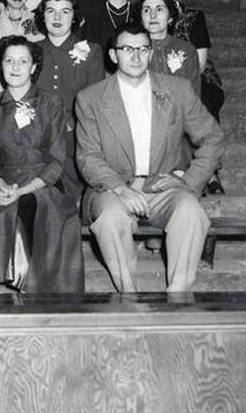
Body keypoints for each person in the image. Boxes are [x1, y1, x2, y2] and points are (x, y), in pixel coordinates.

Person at [74, 22, 224, 292]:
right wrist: (120, 189)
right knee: (110, 219)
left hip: (161, 186)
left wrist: (189, 182)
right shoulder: (91, 98)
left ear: (151, 53)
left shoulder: (176, 89)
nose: (135, 56)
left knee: (191, 211)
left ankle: (177, 298)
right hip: (113, 187)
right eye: (127, 49)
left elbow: (212, 137)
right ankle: (128, 296)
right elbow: (89, 157)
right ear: (113, 55)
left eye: (143, 49)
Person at [0, 36, 84, 293]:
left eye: (22, 61)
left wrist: (21, 191)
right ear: (0, 67)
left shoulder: (51, 104)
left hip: (44, 184)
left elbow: (56, 160)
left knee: (35, 211)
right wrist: (0, 187)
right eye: (9, 61)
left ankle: (32, 289)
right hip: (3, 184)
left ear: (33, 67)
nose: (15, 67)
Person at [147, 0, 225, 194]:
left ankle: (210, 171)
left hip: (196, 74)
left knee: (201, 102)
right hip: (159, 75)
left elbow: (199, 62)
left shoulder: (192, 16)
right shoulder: (147, 13)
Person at [35, 0, 105, 204]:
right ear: (42, 15)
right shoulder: (31, 50)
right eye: (51, 11)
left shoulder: (91, 51)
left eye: (64, 12)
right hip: (36, 132)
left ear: (74, 18)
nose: (57, 18)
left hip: (75, 133)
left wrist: (69, 123)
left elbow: (94, 101)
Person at [139, 0, 201, 94]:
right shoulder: (132, 49)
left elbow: (194, 94)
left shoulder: (186, 50)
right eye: (146, 10)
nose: (152, 15)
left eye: (159, 9)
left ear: (170, 17)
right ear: (141, 18)